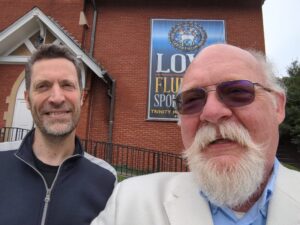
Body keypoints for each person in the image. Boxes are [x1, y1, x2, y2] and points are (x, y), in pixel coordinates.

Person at [91, 44, 300, 225]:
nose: (211, 112)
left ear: (278, 107)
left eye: (237, 92)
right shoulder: (129, 204)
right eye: (192, 101)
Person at [0, 44, 116, 225]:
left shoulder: (106, 179)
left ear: (82, 98)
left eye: (67, 85)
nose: (57, 98)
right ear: (28, 99)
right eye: (43, 86)